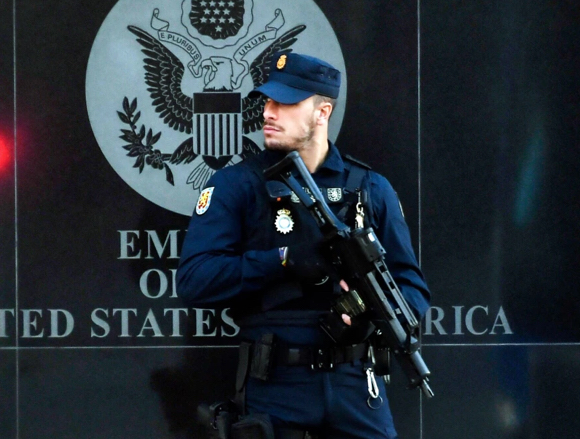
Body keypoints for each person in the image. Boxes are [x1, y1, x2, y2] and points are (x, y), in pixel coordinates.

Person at [177, 52, 431, 439]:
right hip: (276, 385)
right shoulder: (237, 185)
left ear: (322, 112)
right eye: (268, 101)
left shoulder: (369, 188)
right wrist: (282, 260)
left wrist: (365, 316)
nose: (269, 112)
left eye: (286, 103)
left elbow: (411, 288)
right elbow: (195, 280)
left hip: (357, 386)